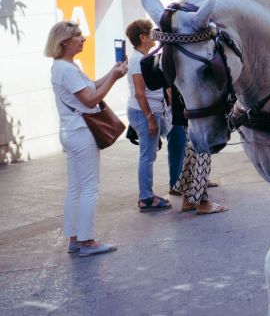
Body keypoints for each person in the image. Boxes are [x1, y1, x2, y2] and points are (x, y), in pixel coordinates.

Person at [46, 20, 127, 256]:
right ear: (64, 42)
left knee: (75, 188)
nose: (84, 38)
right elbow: (90, 99)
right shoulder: (67, 69)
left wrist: (112, 73)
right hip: (81, 133)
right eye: (78, 35)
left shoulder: (64, 66)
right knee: (90, 187)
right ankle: (88, 241)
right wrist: (113, 79)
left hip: (71, 132)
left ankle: (74, 238)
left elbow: (90, 86)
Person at [139, 54, 228, 215]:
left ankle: (188, 198)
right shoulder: (190, 47)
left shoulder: (175, 50)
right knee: (203, 152)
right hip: (198, 110)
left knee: (192, 152)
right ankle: (202, 201)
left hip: (185, 110)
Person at [125, 19, 173, 212]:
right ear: (142, 37)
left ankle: (146, 195)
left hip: (148, 111)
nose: (153, 35)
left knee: (149, 155)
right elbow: (139, 92)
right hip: (143, 112)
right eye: (150, 33)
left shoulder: (144, 57)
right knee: (147, 156)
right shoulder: (137, 59)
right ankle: (146, 198)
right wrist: (150, 117)